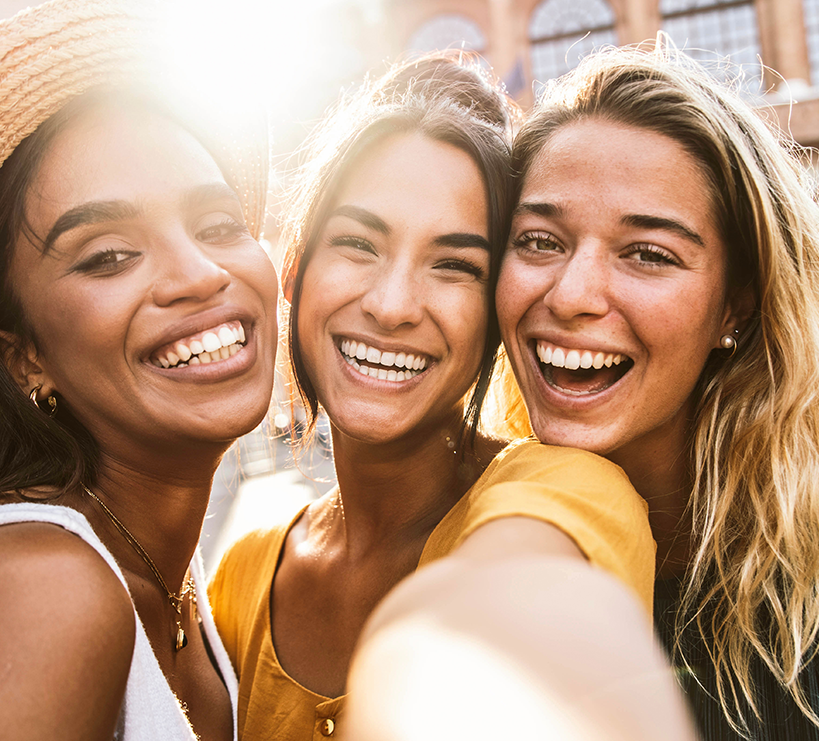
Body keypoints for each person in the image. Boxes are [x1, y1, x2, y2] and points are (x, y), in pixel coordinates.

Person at [209, 54, 693, 741]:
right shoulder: (240, 573)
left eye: (454, 265)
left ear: (495, 314)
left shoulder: (569, 491)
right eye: (357, 243)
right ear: (295, 270)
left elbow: (510, 631)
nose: (394, 304)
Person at [491, 42, 819, 739]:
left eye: (649, 254)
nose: (571, 294)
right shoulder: (481, 522)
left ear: (737, 306)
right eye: (540, 240)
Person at [0, 1, 278, 739]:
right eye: (109, 256)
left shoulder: (180, 586)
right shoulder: (46, 589)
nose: (199, 273)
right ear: (22, 351)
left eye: (219, 225)